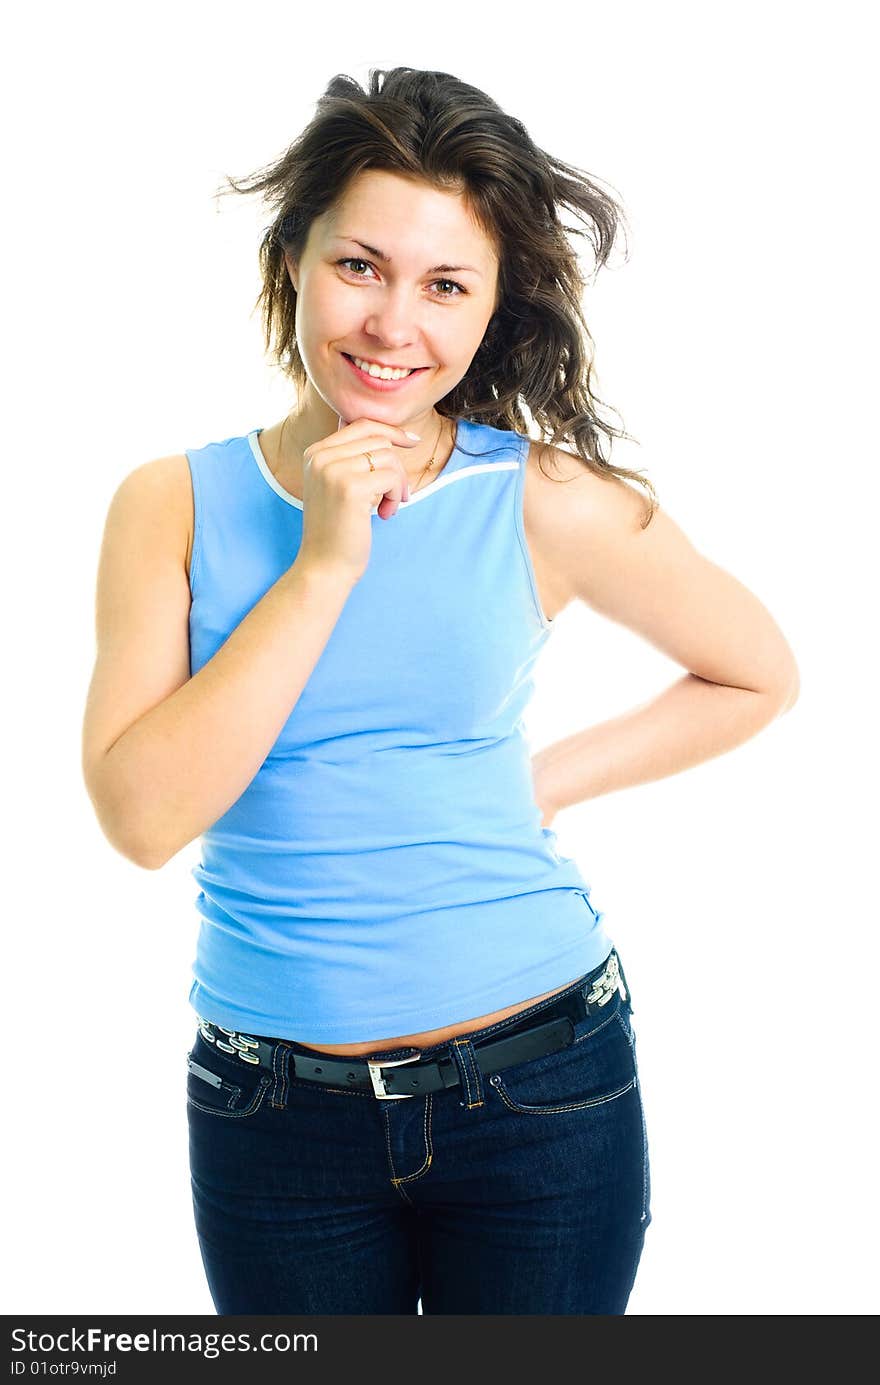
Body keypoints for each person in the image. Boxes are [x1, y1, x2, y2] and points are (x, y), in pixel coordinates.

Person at [81, 66, 800, 1315]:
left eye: (444, 286)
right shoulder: (172, 504)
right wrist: (324, 565)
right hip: (271, 1116)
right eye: (358, 266)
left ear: (485, 312)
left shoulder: (539, 497)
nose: (391, 324)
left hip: (539, 1091)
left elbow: (756, 673)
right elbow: (141, 819)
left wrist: (530, 785)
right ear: (290, 262)